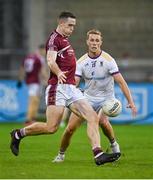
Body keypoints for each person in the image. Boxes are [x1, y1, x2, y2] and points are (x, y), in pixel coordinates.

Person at [10, 12, 120, 166]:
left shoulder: (65, 40)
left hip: (71, 89)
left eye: (74, 26)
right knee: (51, 127)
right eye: (70, 25)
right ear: (61, 23)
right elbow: (50, 60)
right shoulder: (54, 39)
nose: (72, 28)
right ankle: (18, 134)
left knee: (93, 117)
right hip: (58, 88)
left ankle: (98, 153)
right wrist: (59, 72)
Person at [53, 29, 137, 163]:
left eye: (97, 40)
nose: (94, 43)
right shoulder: (81, 62)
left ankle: (114, 145)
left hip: (107, 99)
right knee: (70, 129)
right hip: (88, 98)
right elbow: (75, 82)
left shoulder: (108, 60)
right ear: (87, 42)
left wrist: (131, 102)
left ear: (101, 42)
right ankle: (60, 154)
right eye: (92, 40)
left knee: (102, 121)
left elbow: (121, 82)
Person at [17, 44, 48, 126]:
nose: (45, 53)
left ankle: (32, 118)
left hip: (29, 81)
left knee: (35, 100)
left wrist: (20, 79)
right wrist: (47, 81)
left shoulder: (29, 57)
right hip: (35, 82)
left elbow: (22, 68)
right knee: (33, 100)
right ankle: (28, 119)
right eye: (45, 50)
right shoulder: (39, 58)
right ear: (41, 50)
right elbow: (42, 71)